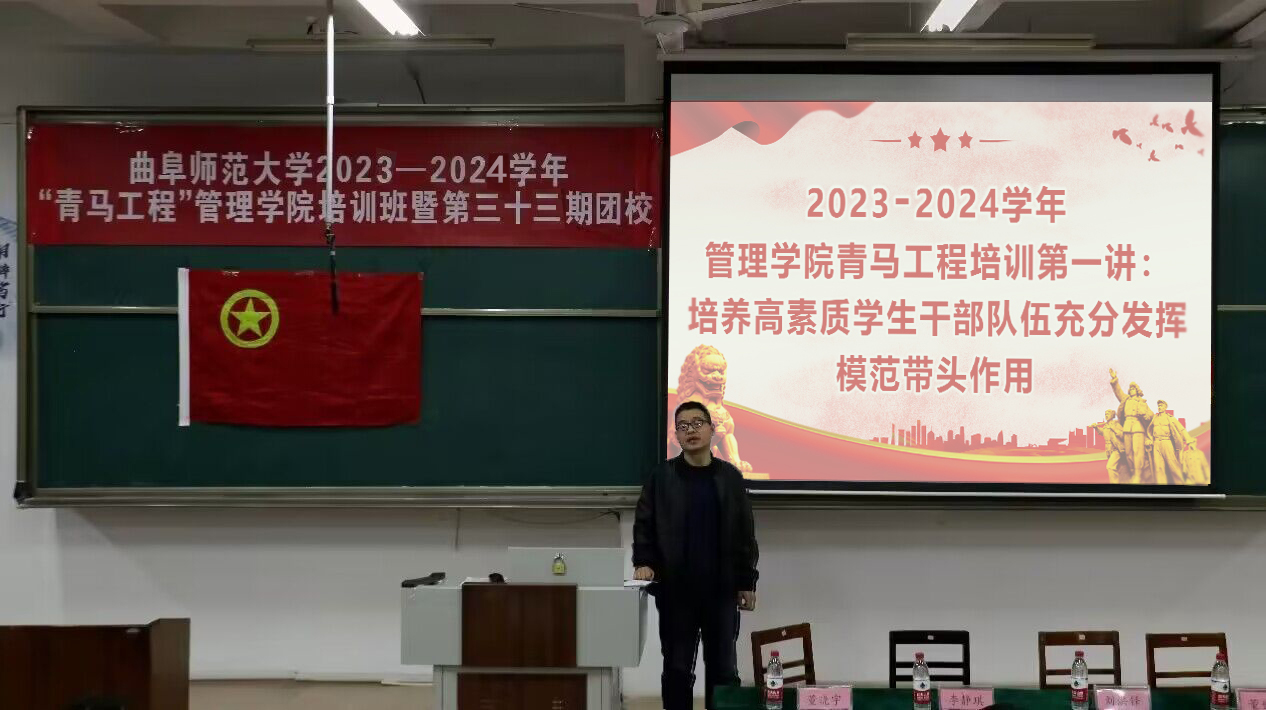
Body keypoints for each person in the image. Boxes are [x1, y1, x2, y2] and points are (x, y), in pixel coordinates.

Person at [634, 400, 759, 710]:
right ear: (676, 435)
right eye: (682, 426)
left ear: (712, 429)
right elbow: (645, 524)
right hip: (676, 591)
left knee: (724, 671)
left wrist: (747, 582)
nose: (690, 430)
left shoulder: (730, 478)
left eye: (697, 423)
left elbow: (744, 533)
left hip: (721, 591)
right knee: (677, 670)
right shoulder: (662, 477)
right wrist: (644, 562)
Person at [1149, 399, 1189, 485]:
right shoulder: (1154, 418)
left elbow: (1181, 429)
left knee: (1173, 465)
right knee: (1158, 468)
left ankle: (1180, 485)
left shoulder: (1170, 418)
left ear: (1165, 408)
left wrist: (1188, 439)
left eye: (1161, 406)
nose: (1159, 407)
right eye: (1158, 406)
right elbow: (1150, 431)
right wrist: (1149, 440)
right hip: (1156, 443)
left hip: (1166, 442)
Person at [1090, 409, 1127, 483]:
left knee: (1110, 467)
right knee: (1117, 468)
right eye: (1105, 414)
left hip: (1116, 449)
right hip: (1108, 449)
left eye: (1108, 414)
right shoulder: (1106, 426)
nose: (1106, 415)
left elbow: (1123, 435)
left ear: (1112, 415)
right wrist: (1096, 428)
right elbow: (1102, 433)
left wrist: (1114, 429)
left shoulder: (1116, 424)